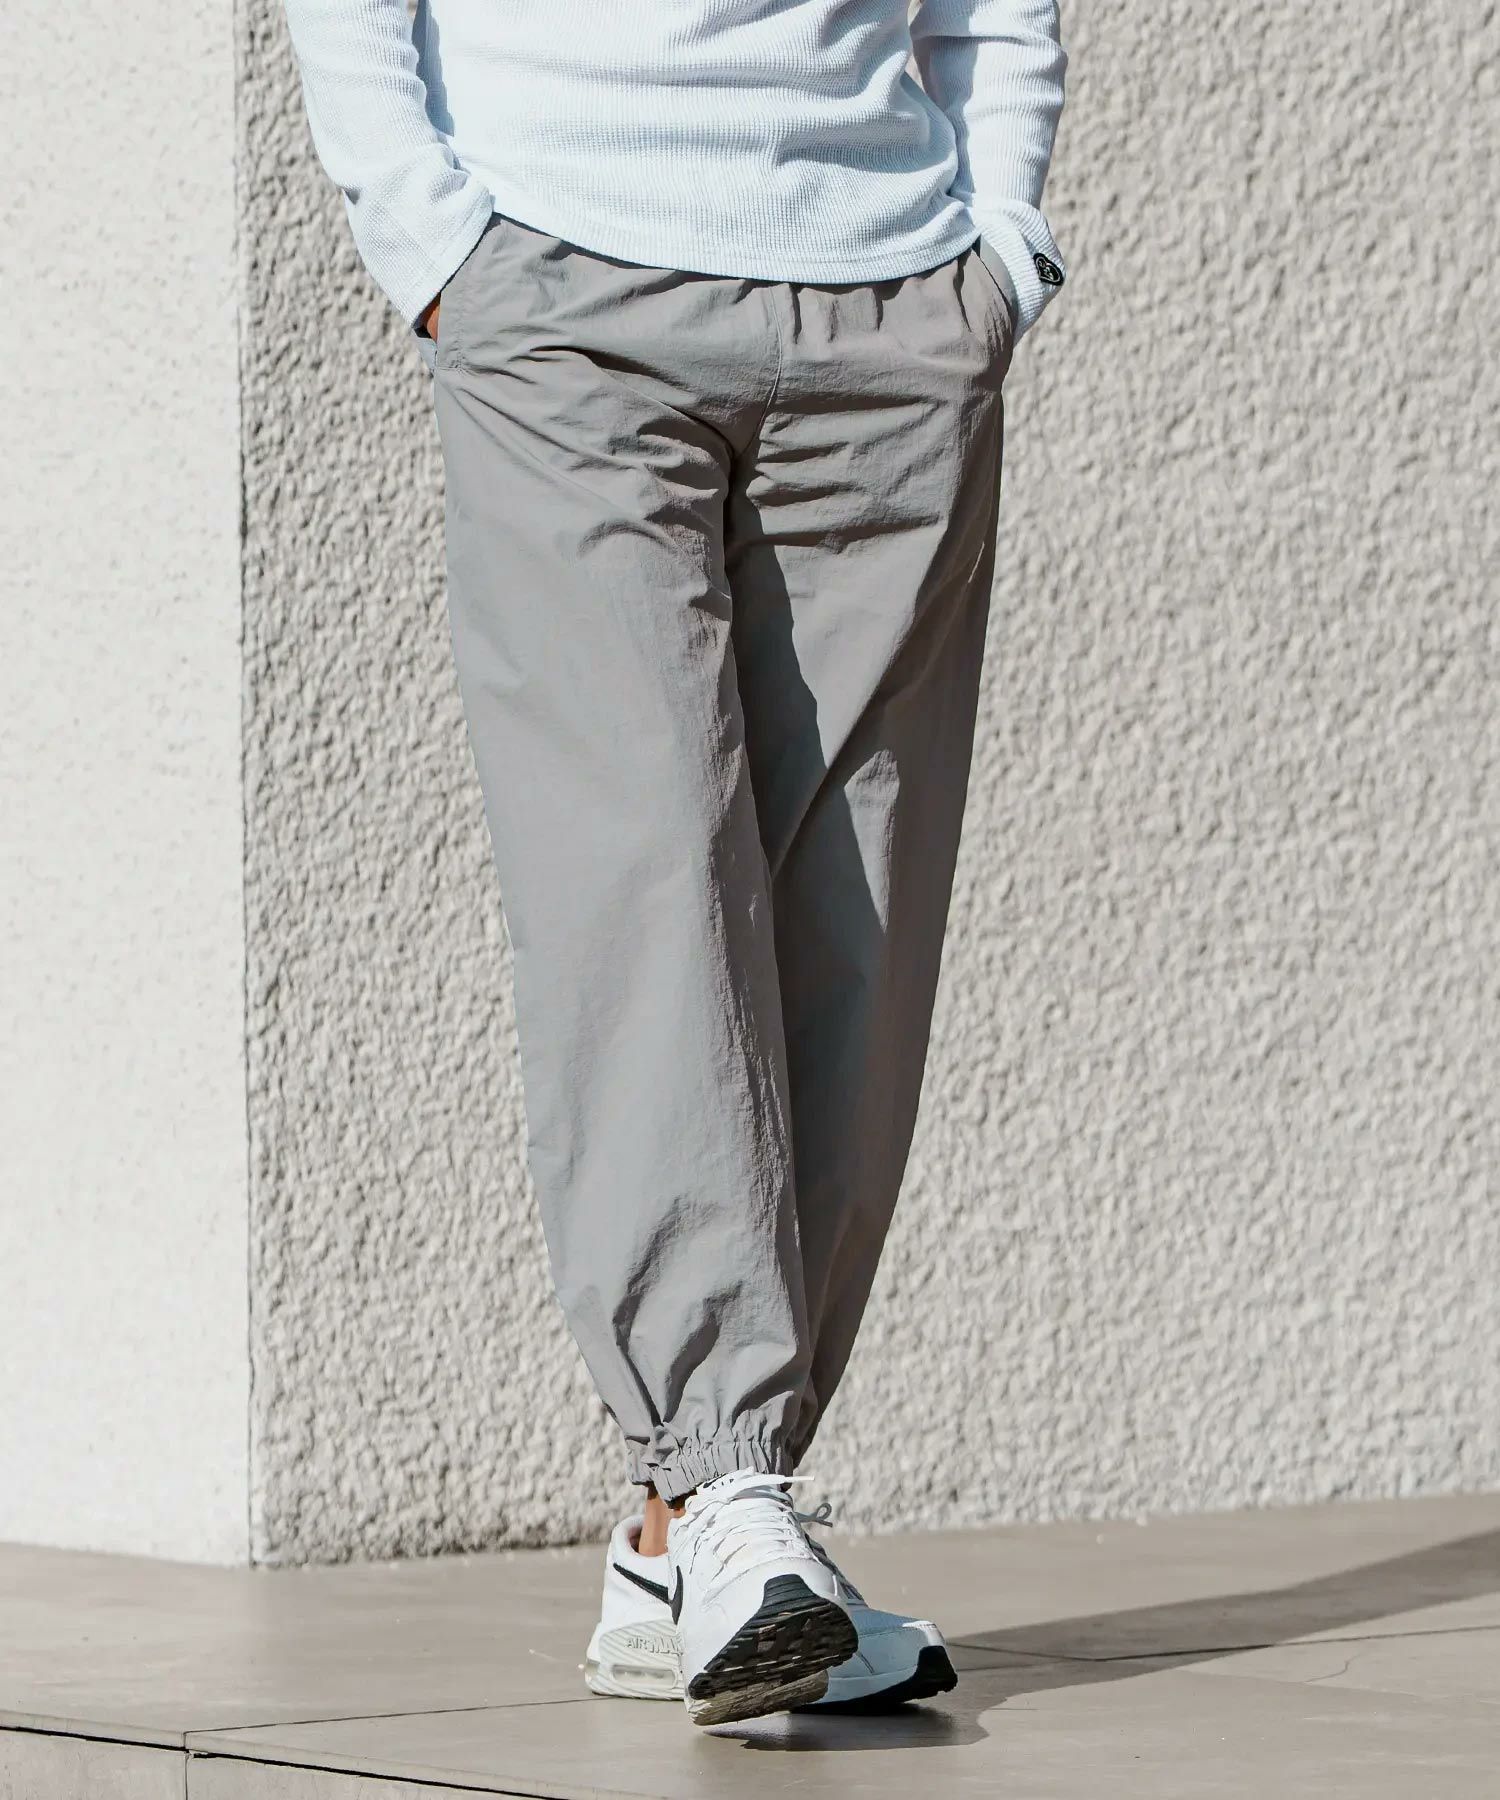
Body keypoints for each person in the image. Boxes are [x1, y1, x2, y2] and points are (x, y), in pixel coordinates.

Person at [283, 0, 1066, 1728]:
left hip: (892, 298)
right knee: (640, 879)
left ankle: (685, 1540)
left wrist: (996, 251)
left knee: (854, 917)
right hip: (562, 285)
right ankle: (724, 1483)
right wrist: (434, 241)